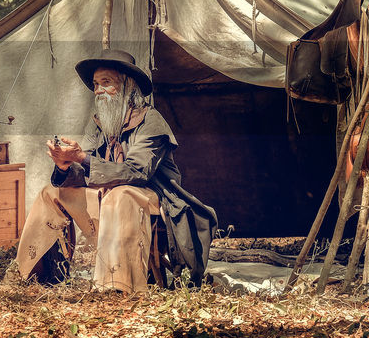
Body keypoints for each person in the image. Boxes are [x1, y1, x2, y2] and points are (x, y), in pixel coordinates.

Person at [13, 49, 217, 292]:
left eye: (106, 83)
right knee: (51, 193)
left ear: (128, 87)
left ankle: (116, 285)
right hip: (106, 194)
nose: (98, 90)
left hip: (151, 197)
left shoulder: (151, 121)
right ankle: (35, 274)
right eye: (96, 84)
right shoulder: (99, 122)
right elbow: (86, 170)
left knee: (120, 196)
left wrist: (82, 157)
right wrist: (65, 165)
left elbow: (137, 173)